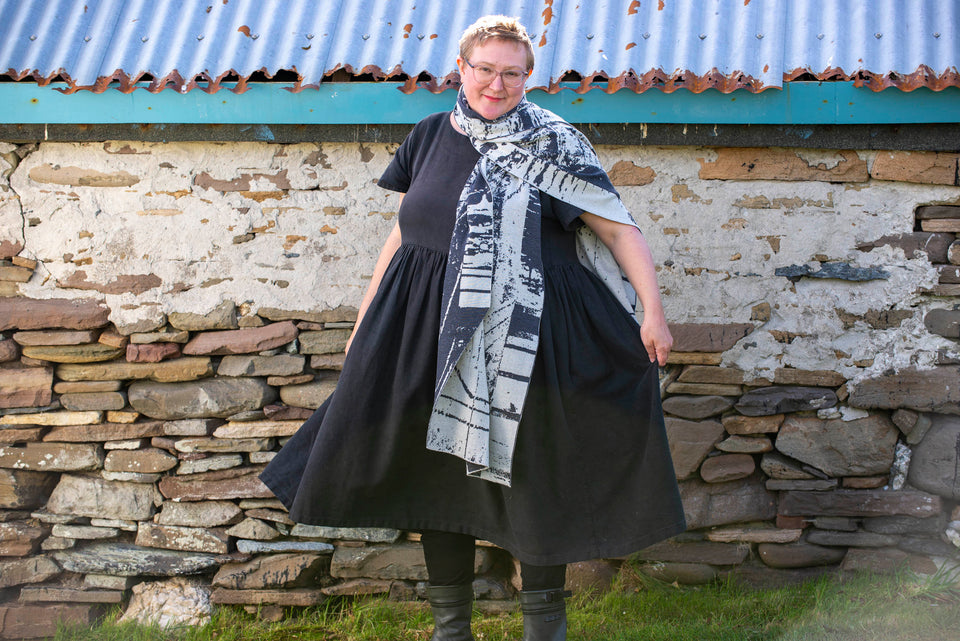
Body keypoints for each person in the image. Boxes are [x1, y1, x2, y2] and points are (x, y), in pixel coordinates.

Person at [261, 15, 686, 641]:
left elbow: (618, 229)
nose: (497, 83)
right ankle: (450, 628)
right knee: (440, 473)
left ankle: (545, 624)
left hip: (525, 336)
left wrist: (653, 312)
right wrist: (363, 320)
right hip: (424, 328)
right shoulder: (432, 133)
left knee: (534, 471)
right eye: (485, 69)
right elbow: (406, 232)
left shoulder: (555, 143)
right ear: (461, 68)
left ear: (528, 78)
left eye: (511, 73)